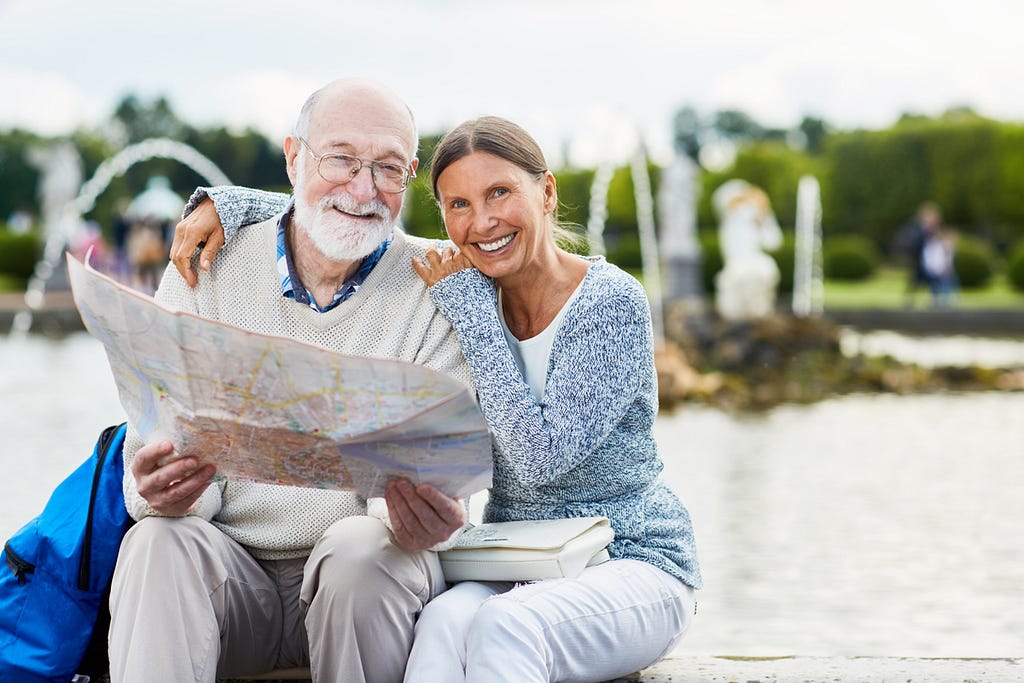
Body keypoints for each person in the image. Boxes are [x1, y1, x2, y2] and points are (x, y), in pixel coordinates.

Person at [174, 116, 701, 682]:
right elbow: (344, 207)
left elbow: (541, 458)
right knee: (440, 626)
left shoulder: (607, 300)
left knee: (505, 627)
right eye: (459, 205)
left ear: (546, 192)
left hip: (631, 558)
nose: (483, 221)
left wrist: (472, 313)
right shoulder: (468, 288)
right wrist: (228, 205)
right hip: (513, 557)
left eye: (500, 192)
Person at [110, 78, 474, 683]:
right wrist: (163, 488)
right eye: (340, 159)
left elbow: (434, 488)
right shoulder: (207, 266)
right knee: (157, 544)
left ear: (410, 175)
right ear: (293, 157)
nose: (363, 190)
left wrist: (428, 514)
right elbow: (157, 466)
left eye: (388, 168)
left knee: (361, 551)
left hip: (365, 578)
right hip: (233, 575)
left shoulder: (437, 288)